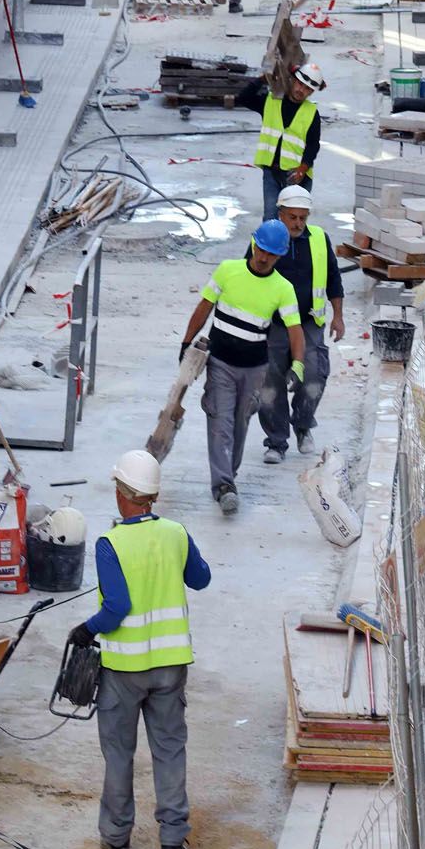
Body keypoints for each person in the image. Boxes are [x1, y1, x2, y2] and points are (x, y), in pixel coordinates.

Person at [67, 450, 211, 849]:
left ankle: (116, 840)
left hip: (124, 671)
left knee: (118, 754)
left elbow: (117, 607)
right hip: (170, 668)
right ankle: (171, 844)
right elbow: (200, 579)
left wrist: (86, 629)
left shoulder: (111, 543)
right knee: (169, 751)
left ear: (124, 494)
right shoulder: (176, 533)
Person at [179, 223, 305, 514]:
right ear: (253, 244)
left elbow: (295, 330)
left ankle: (228, 477)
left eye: (271, 254)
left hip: (254, 369)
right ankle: (223, 485)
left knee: (239, 424)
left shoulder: (282, 289)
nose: (263, 257)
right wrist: (187, 342)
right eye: (261, 249)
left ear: (280, 256)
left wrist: (297, 364)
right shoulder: (227, 270)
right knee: (220, 421)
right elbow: (204, 307)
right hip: (220, 362)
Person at [256, 186, 345, 463]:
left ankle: (303, 425)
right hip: (274, 325)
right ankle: (276, 442)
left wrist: (338, 316)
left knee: (315, 377)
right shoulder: (264, 239)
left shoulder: (319, 239)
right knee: (270, 384)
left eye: (302, 218)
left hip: (308, 322)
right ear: (279, 214)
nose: (297, 223)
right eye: (292, 217)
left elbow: (333, 278)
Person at [235, 60, 326, 217]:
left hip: (297, 176)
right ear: (292, 80)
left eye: (307, 89)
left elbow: (313, 145)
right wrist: (264, 79)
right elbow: (243, 98)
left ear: (311, 92)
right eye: (300, 84)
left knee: (294, 222)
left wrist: (302, 169)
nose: (301, 90)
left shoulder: (311, 112)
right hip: (272, 172)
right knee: (271, 219)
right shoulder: (270, 102)